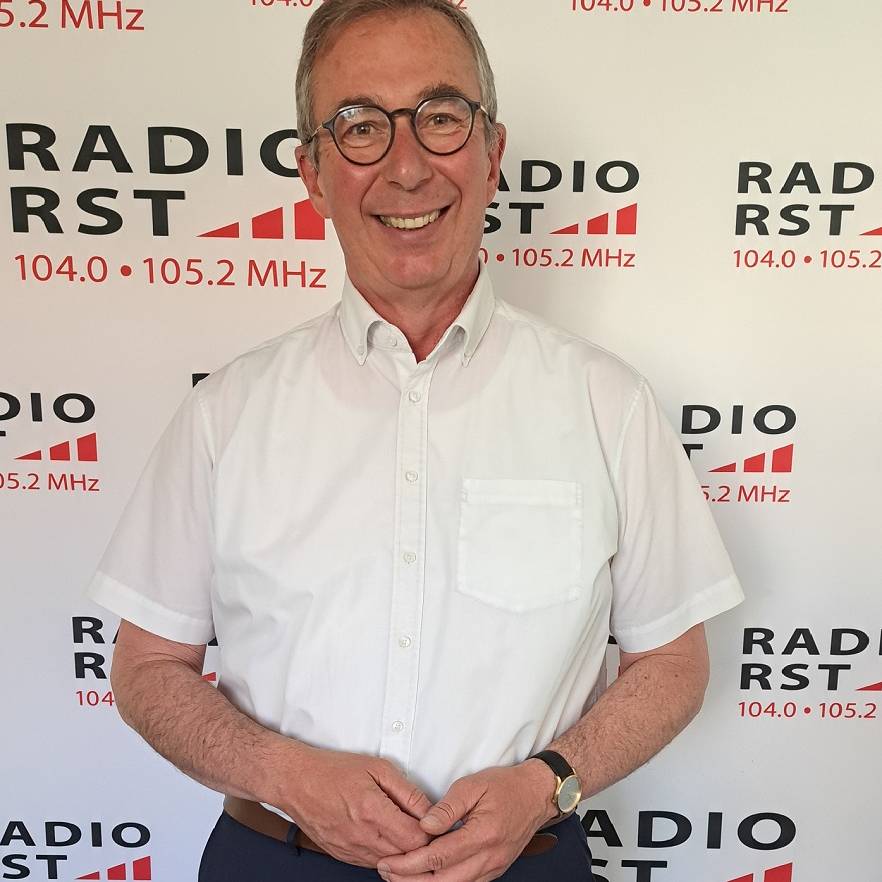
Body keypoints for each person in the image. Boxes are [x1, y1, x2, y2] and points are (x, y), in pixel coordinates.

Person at [86, 1, 745, 880]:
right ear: (313, 173)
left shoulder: (608, 403)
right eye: (360, 126)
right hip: (276, 859)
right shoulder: (226, 413)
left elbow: (673, 662)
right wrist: (286, 776)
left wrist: (549, 782)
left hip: (527, 863)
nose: (406, 167)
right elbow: (146, 668)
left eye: (440, 117)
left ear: (492, 152)